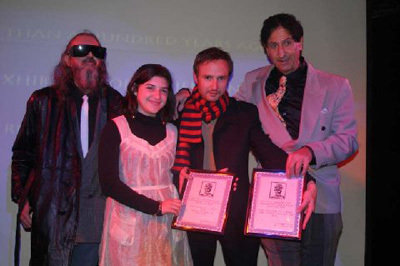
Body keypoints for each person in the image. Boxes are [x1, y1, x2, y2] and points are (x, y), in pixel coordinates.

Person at [173, 47, 316, 266]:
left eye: (221, 78)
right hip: (193, 211)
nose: (214, 86)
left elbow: (271, 155)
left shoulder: (243, 113)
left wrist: (307, 182)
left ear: (228, 78)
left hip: (236, 212)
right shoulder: (181, 114)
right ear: (195, 77)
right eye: (208, 77)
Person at [235, 13, 359, 265]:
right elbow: (231, 117)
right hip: (274, 195)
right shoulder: (253, 82)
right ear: (266, 50)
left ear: (300, 42)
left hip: (321, 195)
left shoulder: (335, 86)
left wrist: (311, 151)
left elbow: (348, 140)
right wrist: (188, 98)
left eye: (288, 42)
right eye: (273, 45)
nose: (281, 52)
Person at [11, 31, 123, 266]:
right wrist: (24, 197)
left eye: (97, 52)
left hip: (100, 220)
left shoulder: (117, 103)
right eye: (82, 51)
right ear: (67, 59)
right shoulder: (42, 101)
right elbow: (23, 154)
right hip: (54, 216)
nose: (90, 56)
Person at [98, 64, 192, 266]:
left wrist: (189, 179)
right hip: (129, 220)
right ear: (134, 89)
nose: (157, 95)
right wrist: (156, 207)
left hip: (165, 223)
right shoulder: (116, 127)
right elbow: (109, 184)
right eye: (150, 87)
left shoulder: (173, 131)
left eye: (164, 90)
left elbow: (173, 175)